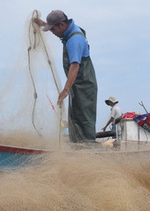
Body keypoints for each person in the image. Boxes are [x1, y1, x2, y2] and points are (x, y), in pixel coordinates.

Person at [34, 10, 98, 143]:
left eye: (53, 30)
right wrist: (42, 24)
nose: (53, 33)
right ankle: (78, 147)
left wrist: (65, 90)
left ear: (62, 25)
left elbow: (75, 65)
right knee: (75, 117)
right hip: (77, 83)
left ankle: (88, 149)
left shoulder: (74, 40)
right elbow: (56, 27)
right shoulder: (69, 30)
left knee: (83, 118)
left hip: (84, 85)